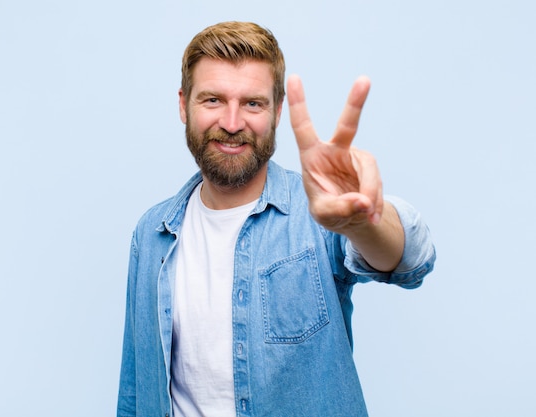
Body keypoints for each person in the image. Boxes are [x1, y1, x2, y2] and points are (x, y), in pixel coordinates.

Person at [117, 21, 435, 417]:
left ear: (278, 110)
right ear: (184, 105)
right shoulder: (151, 233)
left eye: (253, 103)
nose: (232, 124)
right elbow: (134, 389)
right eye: (213, 100)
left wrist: (362, 222)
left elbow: (412, 261)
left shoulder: (319, 213)